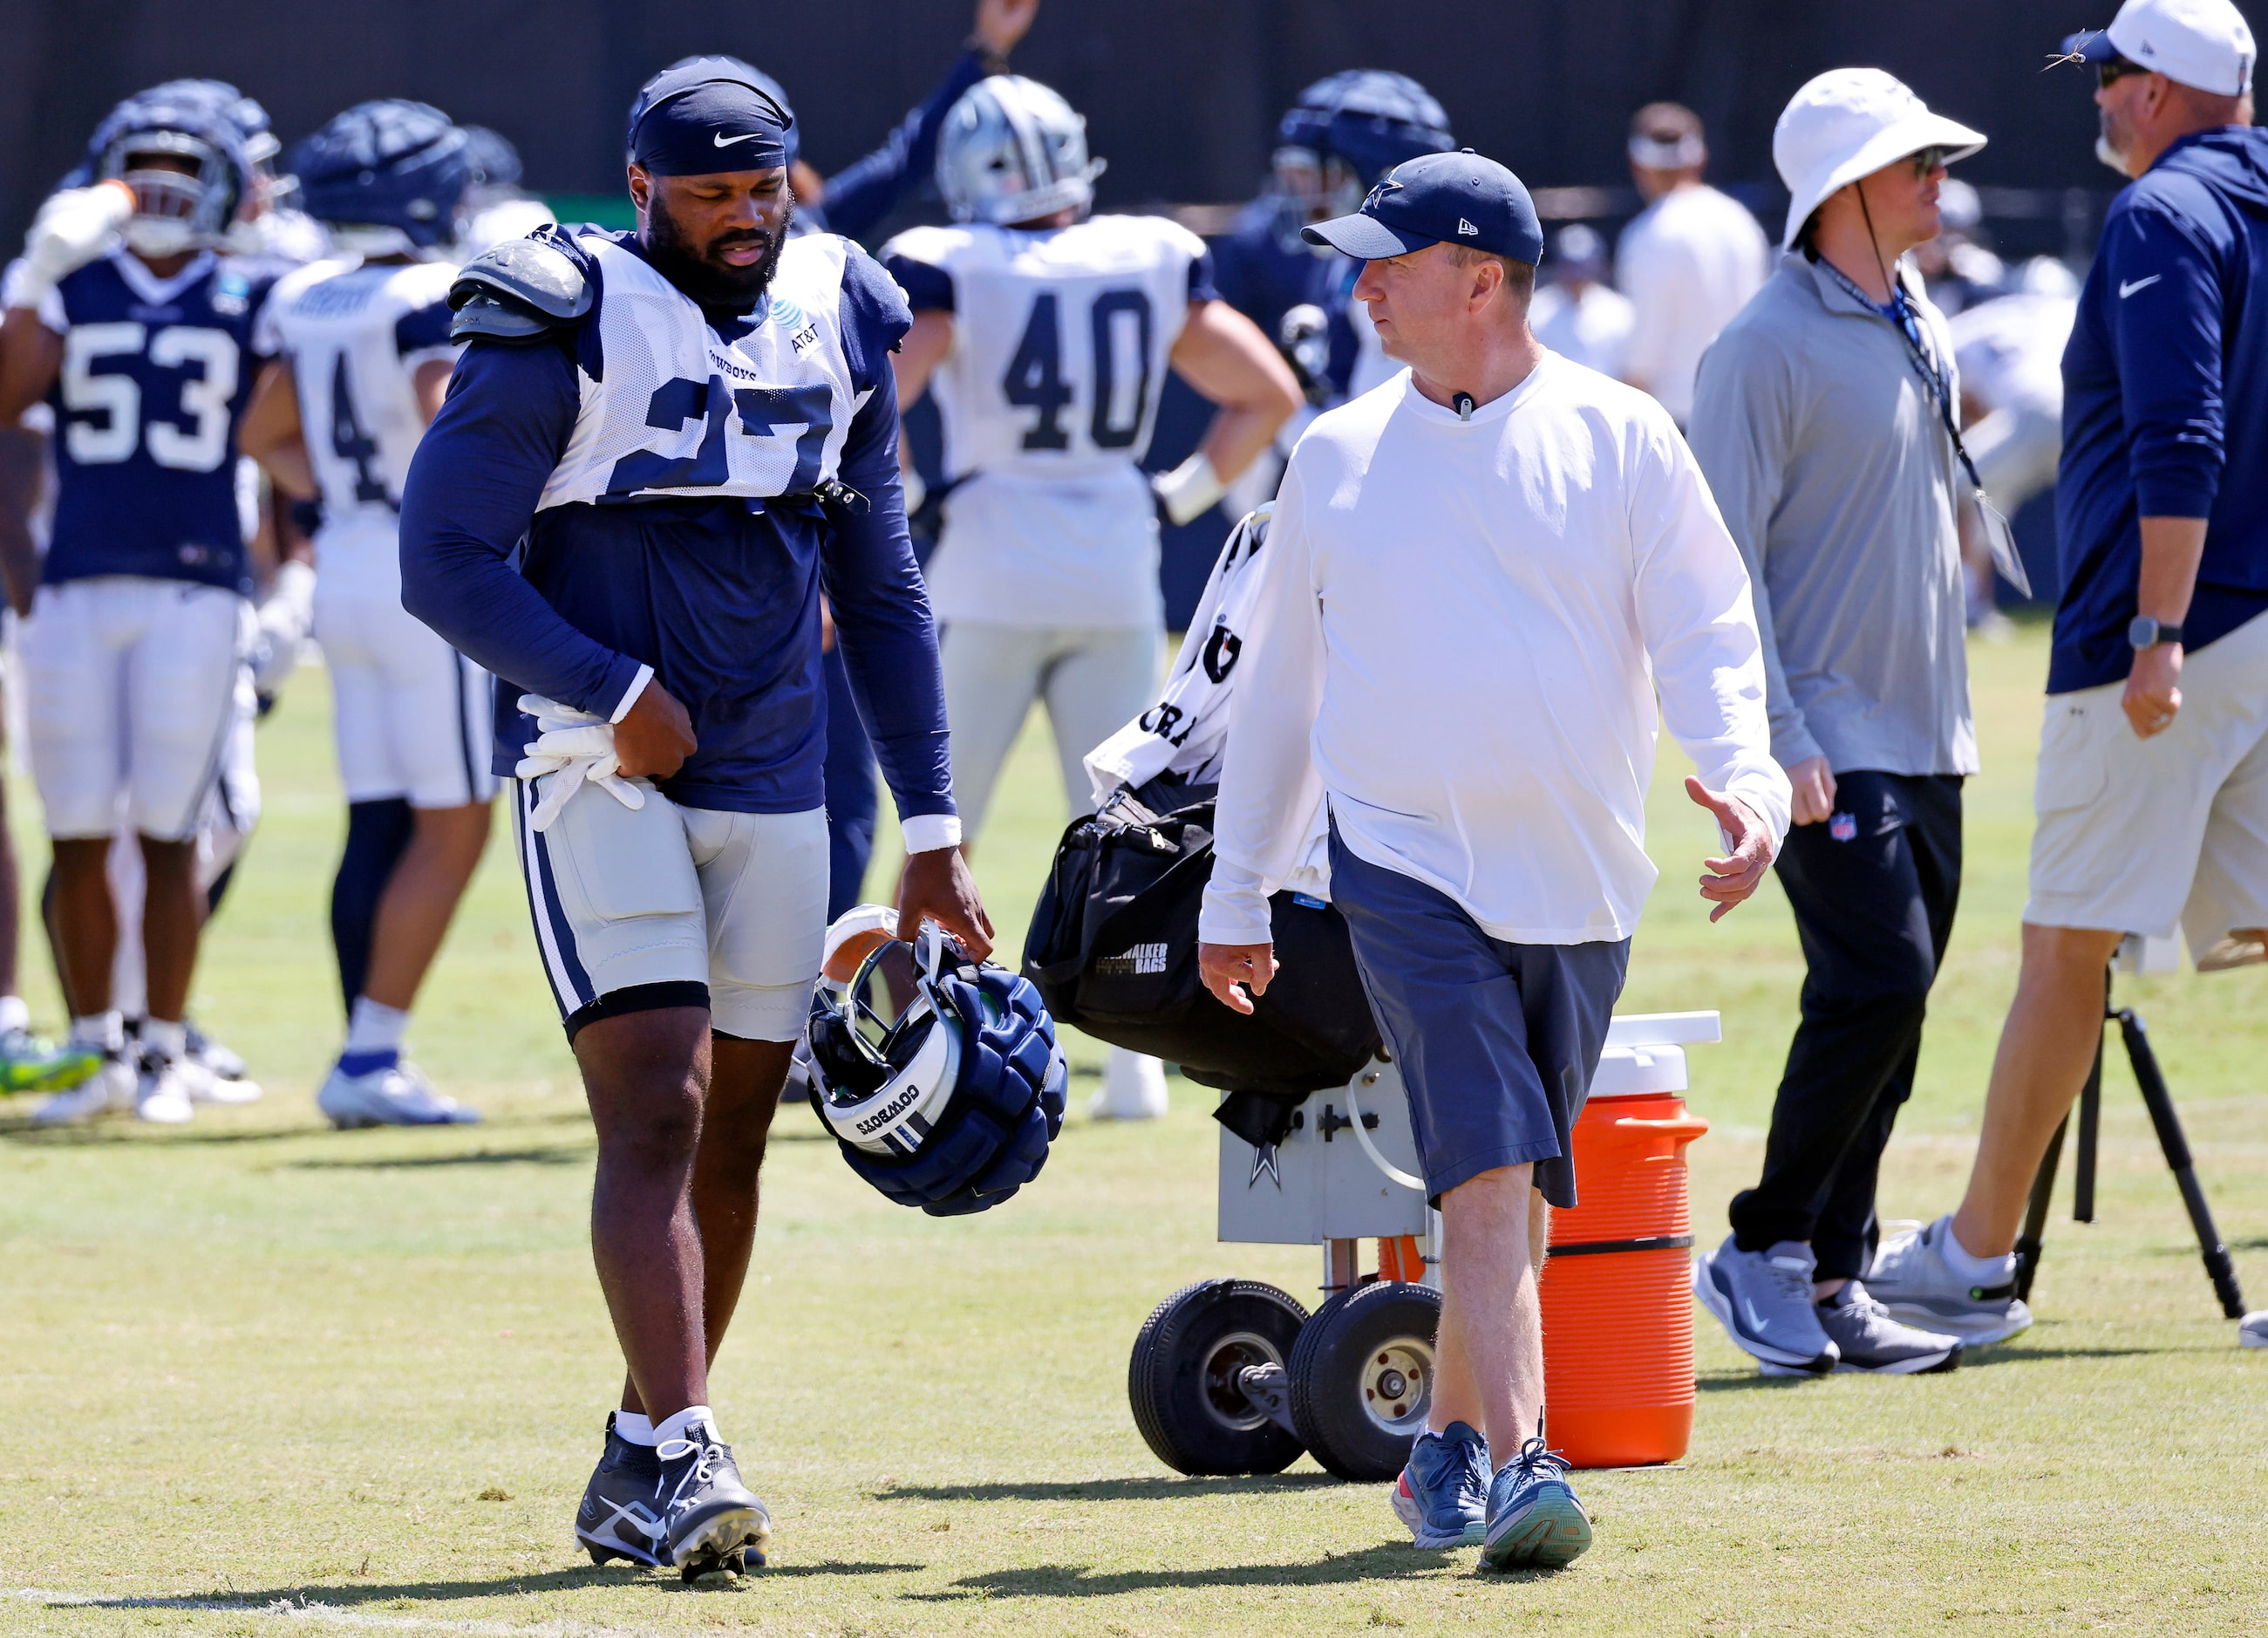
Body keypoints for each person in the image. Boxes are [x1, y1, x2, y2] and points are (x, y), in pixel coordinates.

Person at [398, 58, 991, 1574]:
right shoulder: (556, 305)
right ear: (642, 181)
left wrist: (931, 820)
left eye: (763, 187)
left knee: (738, 1120)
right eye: (710, 191)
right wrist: (607, 684)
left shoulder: (846, 299)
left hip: (782, 767)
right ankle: (687, 1446)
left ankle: (646, 1443)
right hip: (603, 765)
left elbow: (883, 576)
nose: (743, 217)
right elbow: (445, 559)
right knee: (653, 1097)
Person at [1196, 150, 1789, 1570]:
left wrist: (1746, 770)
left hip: (1584, 876)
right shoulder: (1334, 455)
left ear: (1480, 278)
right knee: (1485, 1173)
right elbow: (1275, 691)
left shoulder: (1624, 435)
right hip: (1399, 866)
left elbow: (1709, 629)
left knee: (1508, 1185)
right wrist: (1239, 886)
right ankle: (1525, 1459)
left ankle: (1445, 1447)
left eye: (1387, 263)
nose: (1360, 287)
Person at [1868, 0, 2268, 1354]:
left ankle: (1975, 1255)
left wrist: (2155, 629)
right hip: (2262, 629)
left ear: (2158, 89)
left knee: (2064, 945)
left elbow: (2181, 429)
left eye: (2108, 75)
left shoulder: (2163, 215)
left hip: (2162, 641)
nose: (2095, 97)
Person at [882, 74, 1300, 1120]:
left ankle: (909, 1046)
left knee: (944, 824)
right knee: (1128, 822)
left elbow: (872, 397)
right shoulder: (1148, 254)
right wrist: (1176, 497)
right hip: (1114, 559)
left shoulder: (953, 259)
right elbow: (1268, 394)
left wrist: (914, 496)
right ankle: (1138, 1066)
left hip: (986, 559)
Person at [1686, 69, 1991, 1379]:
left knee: (1900, 1004)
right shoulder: (1759, 345)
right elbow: (1718, 559)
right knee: (1876, 982)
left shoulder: (1914, 310)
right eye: (1913, 161)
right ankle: (1760, 1245)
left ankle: (1832, 1267)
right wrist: (1782, 732)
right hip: (1828, 733)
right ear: (1844, 192)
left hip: (1932, 733)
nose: (1938, 178)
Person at [0, 88, 284, 1125]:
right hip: (77, 585)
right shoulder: (67, 285)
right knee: (76, 825)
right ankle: (92, 1052)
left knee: (168, 828)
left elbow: (283, 432)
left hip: (197, 584)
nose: (162, 191)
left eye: (183, 171)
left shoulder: (259, 293)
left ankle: (163, 1051)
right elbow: (5, 399)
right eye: (143, 170)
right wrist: (36, 270)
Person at [238, 100, 493, 1128]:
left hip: (345, 558)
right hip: (420, 572)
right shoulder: (431, 293)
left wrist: (341, 499)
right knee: (455, 822)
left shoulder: (305, 293)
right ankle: (372, 1052)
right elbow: (447, 420)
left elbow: (262, 429)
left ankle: (365, 1047)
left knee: (380, 815)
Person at [1616, 102, 1770, 426]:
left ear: (1636, 164)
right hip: (1745, 413)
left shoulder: (1650, 235)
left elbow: (1643, 357)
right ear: (1700, 158)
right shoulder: (1741, 222)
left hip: (1678, 423)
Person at [1526, 224, 1634, 379]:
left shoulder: (1620, 310)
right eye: (1570, 266)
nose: (1577, 276)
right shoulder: (1536, 308)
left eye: (1583, 267)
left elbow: (1632, 369)